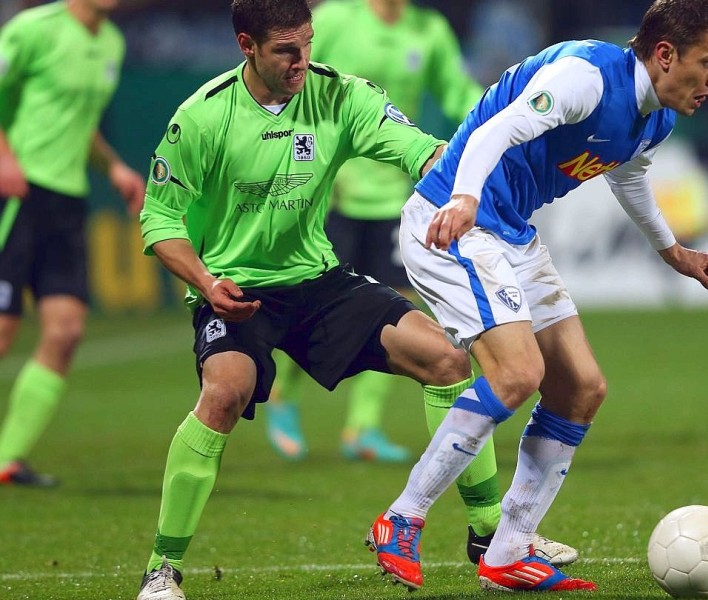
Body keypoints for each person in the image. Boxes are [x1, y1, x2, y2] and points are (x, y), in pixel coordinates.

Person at [367, 0, 708, 592]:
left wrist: (674, 251)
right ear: (666, 56)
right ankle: (403, 518)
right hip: (454, 219)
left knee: (580, 387)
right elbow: (496, 129)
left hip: (511, 230)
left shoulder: (656, 116)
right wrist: (464, 199)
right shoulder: (584, 78)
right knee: (517, 374)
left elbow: (629, 174)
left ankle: (508, 550)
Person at [135, 1, 476, 598]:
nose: (303, 61)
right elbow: (159, 219)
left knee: (448, 359)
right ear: (248, 45)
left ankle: (493, 534)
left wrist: (470, 176)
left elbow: (419, 148)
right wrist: (206, 284)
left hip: (317, 282)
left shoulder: (340, 96)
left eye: (308, 45)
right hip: (234, 287)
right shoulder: (202, 117)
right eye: (286, 51)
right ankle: (162, 568)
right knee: (223, 393)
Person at [266, 0, 483, 466]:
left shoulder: (429, 30)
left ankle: (362, 428)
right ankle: (282, 396)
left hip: (392, 195)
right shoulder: (336, 19)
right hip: (329, 188)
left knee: (395, 308)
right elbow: (293, 87)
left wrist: (499, 122)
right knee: (311, 304)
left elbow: (457, 92)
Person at [0, 0, 145, 487]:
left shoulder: (111, 42)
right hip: (17, 193)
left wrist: (114, 167)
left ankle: (7, 459)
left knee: (65, 331)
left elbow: (77, 126)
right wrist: (4, 158)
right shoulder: (33, 30)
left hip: (66, 203)